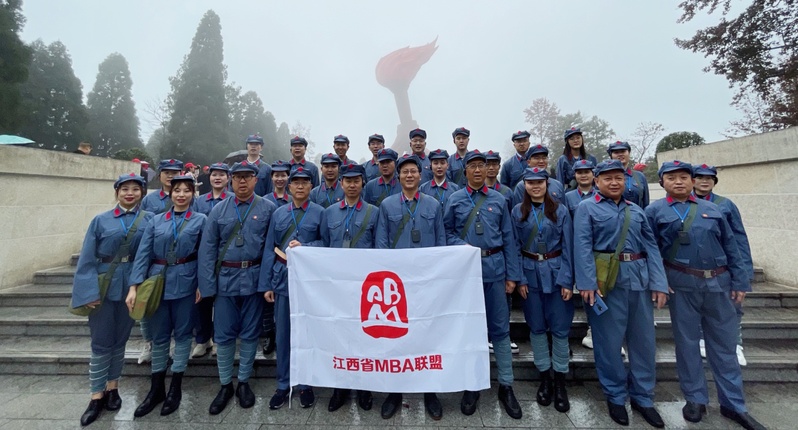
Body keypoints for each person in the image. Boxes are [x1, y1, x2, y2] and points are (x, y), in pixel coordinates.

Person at [646, 161, 764, 430]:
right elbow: (652, 250)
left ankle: (733, 403)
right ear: (662, 182)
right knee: (687, 344)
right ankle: (695, 399)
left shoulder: (714, 209)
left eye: (684, 177)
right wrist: (659, 282)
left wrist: (740, 280)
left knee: (725, 345)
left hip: (719, 284)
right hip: (682, 284)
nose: (678, 182)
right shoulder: (654, 211)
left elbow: (732, 245)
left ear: (692, 181)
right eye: (671, 178)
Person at [573, 159, 668, 428]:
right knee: (608, 343)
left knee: (644, 342)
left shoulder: (636, 210)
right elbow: (582, 246)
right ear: (597, 181)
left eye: (619, 178)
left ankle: (643, 397)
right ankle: (615, 395)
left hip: (638, 280)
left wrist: (659, 282)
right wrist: (587, 283)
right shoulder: (586, 208)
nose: (614, 183)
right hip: (607, 284)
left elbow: (651, 247)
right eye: (608, 178)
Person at [443, 150, 523, 420]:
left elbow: (509, 238)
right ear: (464, 171)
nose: (478, 170)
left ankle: (507, 385)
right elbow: (447, 232)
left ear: (489, 169)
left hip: (495, 270)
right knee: (470, 330)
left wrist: (512, 276)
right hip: (466, 274)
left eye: (482, 165)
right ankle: (472, 385)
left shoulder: (499, 200)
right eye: (473, 166)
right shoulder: (454, 199)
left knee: (500, 330)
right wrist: (462, 247)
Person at [72, 173, 153, 426]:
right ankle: (96, 395)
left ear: (142, 193)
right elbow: (87, 258)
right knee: (101, 340)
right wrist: (88, 293)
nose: (130, 193)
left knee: (120, 339)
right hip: (104, 284)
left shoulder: (149, 219)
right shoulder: (101, 220)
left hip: (133, 286)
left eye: (135, 189)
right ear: (117, 192)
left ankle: (113, 387)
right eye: (125, 189)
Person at [198, 161, 277, 415]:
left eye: (247, 177)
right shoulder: (219, 210)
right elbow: (208, 249)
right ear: (231, 181)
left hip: (254, 278)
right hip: (226, 280)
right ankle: (225, 384)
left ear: (256, 180)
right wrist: (207, 286)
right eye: (238, 177)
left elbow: (270, 249)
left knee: (251, 332)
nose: (242, 181)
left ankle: (243, 382)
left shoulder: (268, 208)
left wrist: (267, 283)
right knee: (223, 334)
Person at [127, 175, 206, 417]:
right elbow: (143, 254)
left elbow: (205, 255)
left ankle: (175, 387)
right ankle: (156, 387)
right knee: (159, 336)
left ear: (193, 194)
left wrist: (202, 284)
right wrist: (134, 286)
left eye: (186, 190)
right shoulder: (156, 220)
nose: (181, 195)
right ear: (170, 194)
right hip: (157, 282)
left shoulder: (200, 220)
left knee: (183, 335)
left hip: (187, 281)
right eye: (177, 190)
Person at [375, 154, 446, 420]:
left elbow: (440, 243)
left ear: (420, 175)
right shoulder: (387, 205)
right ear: (398, 176)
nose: (409, 175)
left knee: (427, 334)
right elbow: (381, 244)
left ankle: (430, 392)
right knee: (396, 336)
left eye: (413, 171)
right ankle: (394, 392)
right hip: (397, 284)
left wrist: (436, 276)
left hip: (425, 281)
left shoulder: (433, 204)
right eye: (404, 171)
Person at [512, 167, 574, 413]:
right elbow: (514, 246)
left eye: (540, 182)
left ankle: (560, 381)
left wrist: (567, 280)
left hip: (556, 272)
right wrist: (520, 279)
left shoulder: (560, 210)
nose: (535, 186)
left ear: (547, 184)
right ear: (524, 185)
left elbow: (568, 246)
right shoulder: (518, 211)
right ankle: (545, 378)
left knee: (560, 329)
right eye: (530, 183)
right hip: (529, 274)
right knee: (536, 328)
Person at [264, 167, 325, 410]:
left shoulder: (320, 213)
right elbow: (269, 248)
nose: (300, 186)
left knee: (307, 332)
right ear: (288, 187)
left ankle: (306, 384)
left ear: (311, 187)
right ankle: (283, 384)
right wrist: (267, 284)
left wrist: (306, 246)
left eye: (304, 183)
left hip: (309, 282)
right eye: (295, 183)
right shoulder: (278, 213)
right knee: (283, 333)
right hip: (282, 278)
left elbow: (325, 243)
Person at [320, 163, 378, 412]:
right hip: (337, 285)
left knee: (364, 335)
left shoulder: (374, 212)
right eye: (348, 181)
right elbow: (323, 246)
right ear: (341, 184)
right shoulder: (329, 212)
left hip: (364, 285)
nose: (352, 185)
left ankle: (365, 386)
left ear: (362, 183)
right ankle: (340, 386)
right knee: (339, 335)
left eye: (356, 181)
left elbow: (379, 249)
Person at [692, 163, 753, 366]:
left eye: (709, 178)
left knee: (733, 306)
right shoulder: (683, 203)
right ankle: (702, 339)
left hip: (723, 264)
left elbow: (739, 238)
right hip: (693, 265)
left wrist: (744, 270)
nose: (705, 181)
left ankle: (735, 343)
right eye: (700, 177)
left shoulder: (725, 204)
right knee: (699, 306)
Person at [138, 158, 186, 365]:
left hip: (179, 260)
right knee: (148, 302)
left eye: (175, 172)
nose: (171, 176)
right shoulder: (150, 200)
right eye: (167, 172)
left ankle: (172, 343)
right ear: (159, 175)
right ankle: (148, 342)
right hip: (154, 259)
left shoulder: (186, 196)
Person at [192, 163, 231, 358]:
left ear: (228, 179)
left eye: (222, 175)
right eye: (214, 175)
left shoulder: (232, 200)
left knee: (222, 302)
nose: (217, 178)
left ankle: (218, 339)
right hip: (203, 254)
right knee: (202, 298)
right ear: (209, 178)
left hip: (224, 256)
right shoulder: (199, 202)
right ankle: (202, 339)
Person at [485, 149, 518, 354]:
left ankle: (503, 336)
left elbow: (509, 228)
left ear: (498, 167)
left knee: (502, 302)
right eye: (486, 164)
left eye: (493, 164)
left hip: (498, 255)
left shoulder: (506, 193)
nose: (490, 168)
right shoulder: (462, 195)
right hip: (478, 257)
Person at [607, 140, 649, 208]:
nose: (620, 154)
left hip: (637, 214)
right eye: (616, 152)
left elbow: (646, 203)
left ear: (629, 153)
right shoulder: (605, 177)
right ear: (611, 156)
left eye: (623, 151)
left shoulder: (639, 176)